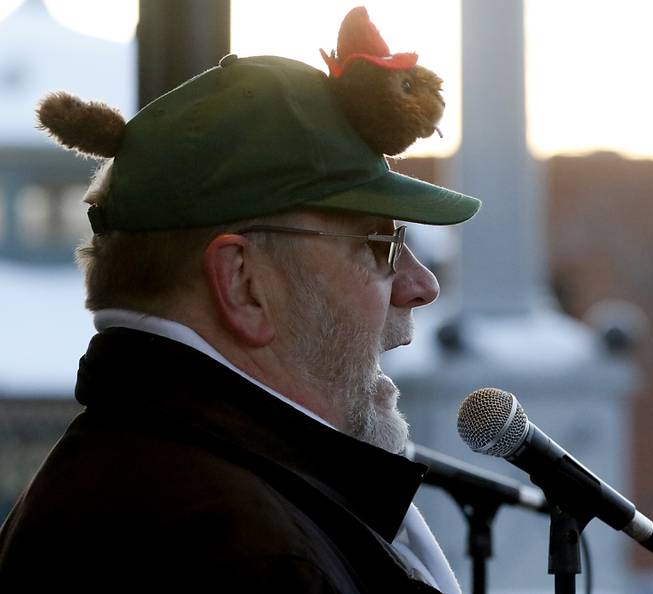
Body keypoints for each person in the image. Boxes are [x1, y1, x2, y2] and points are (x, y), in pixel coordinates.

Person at [0, 54, 479, 591]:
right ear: (243, 282)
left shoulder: (159, 484)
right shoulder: (252, 556)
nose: (422, 286)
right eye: (379, 245)